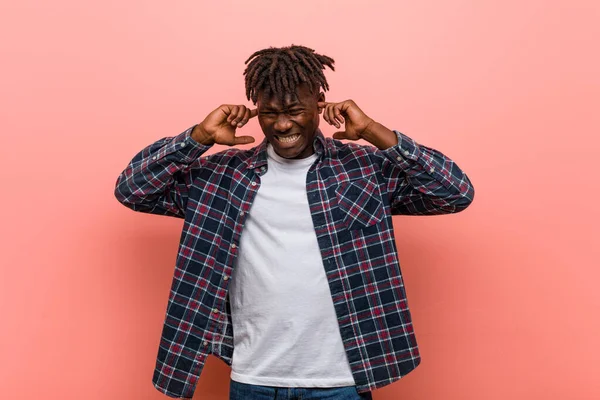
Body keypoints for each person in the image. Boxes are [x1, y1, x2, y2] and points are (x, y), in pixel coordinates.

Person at [114, 44, 475, 400]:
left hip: (343, 380)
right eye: (270, 113)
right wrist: (199, 137)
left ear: (319, 102)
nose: (283, 124)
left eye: (295, 110)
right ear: (257, 112)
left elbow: (454, 192)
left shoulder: (364, 171)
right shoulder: (223, 177)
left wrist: (374, 131)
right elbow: (133, 190)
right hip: (253, 377)